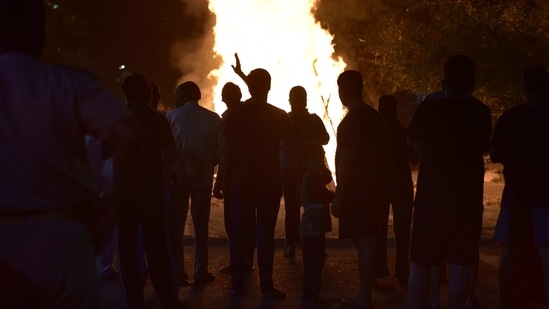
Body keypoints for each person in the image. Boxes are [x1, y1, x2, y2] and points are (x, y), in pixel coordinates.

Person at [0, 0, 142, 307]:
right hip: (61, 241)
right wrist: (113, 208)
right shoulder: (68, 82)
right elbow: (129, 135)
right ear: (40, 35)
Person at [407, 55, 491, 309]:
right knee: (460, 264)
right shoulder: (480, 112)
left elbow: (412, 143)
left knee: (421, 262)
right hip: (466, 200)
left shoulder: (428, 109)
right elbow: (484, 147)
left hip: (431, 200)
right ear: (472, 81)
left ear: (444, 81)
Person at [223, 68, 292, 298]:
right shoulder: (280, 115)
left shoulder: (235, 114)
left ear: (248, 88)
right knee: (265, 234)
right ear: (269, 87)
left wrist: (223, 178)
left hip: (242, 181)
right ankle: (266, 285)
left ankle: (237, 283)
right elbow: (288, 149)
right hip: (269, 181)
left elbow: (227, 151)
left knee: (240, 233)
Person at [118, 73, 183, 309]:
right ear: (147, 94)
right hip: (152, 192)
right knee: (158, 247)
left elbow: (102, 154)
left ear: (125, 94)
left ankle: (133, 300)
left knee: (126, 249)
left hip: (123, 194)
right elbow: (172, 157)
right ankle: (166, 297)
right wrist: (178, 180)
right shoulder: (158, 120)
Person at [491, 66, 549, 309]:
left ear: (524, 90)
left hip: (516, 195)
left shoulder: (511, 118)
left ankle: (505, 301)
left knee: (510, 253)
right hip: (546, 195)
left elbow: (495, 154)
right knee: (546, 252)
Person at [332, 70, 387, 309]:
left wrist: (339, 195)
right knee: (368, 240)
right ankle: (365, 293)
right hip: (375, 188)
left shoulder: (350, 123)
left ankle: (364, 297)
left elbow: (348, 160)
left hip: (357, 191)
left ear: (343, 91)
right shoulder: (376, 117)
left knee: (363, 241)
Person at [167, 81, 221, 286]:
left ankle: (178, 272)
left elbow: (168, 151)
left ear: (183, 95)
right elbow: (219, 153)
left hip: (178, 181)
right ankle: (201, 271)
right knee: (201, 228)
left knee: (176, 228)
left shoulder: (171, 117)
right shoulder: (213, 118)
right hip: (202, 178)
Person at [280, 86, 330, 258]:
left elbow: (325, 139)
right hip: (309, 169)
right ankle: (316, 244)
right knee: (315, 206)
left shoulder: (285, 120)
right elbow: (325, 139)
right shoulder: (312, 120)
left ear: (290, 101)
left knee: (293, 207)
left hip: (293, 170)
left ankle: (291, 245)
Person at [213, 82, 255, 274]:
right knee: (248, 221)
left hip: (235, 179)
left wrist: (219, 181)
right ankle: (246, 261)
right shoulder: (251, 115)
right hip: (252, 176)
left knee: (234, 223)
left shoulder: (229, 119)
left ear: (225, 99)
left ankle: (239, 264)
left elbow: (225, 153)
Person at [375, 95, 414, 286]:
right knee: (403, 227)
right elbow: (414, 159)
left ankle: (379, 268)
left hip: (381, 184)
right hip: (401, 183)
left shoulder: (375, 135)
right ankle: (403, 270)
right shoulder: (404, 133)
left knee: (379, 227)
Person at [299, 142, 335, 309]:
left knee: (317, 262)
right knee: (313, 264)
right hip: (311, 227)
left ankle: (313, 295)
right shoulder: (310, 179)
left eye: (319, 159)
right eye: (313, 160)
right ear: (305, 162)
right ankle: (309, 296)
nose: (317, 163)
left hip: (316, 227)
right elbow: (326, 195)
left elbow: (328, 178)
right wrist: (339, 197)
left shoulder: (317, 176)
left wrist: (323, 165)